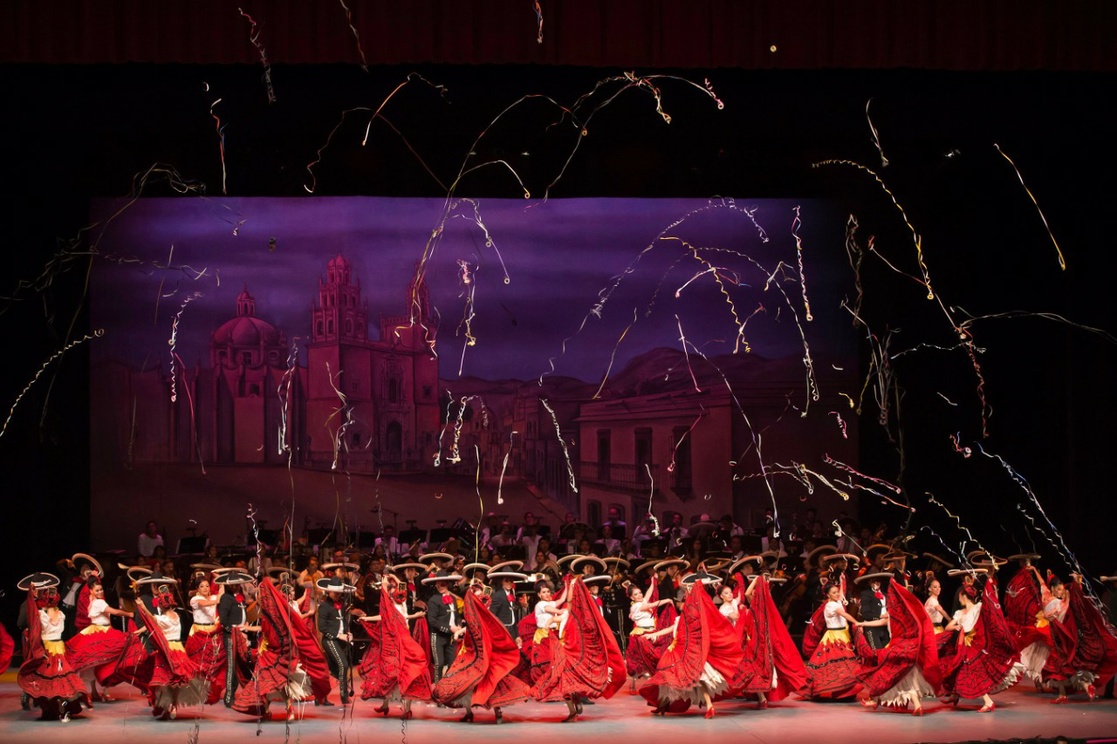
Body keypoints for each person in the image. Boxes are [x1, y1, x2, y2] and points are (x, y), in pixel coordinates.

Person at [638, 568, 743, 718]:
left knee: (679, 676)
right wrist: (654, 633)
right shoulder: (691, 612)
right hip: (683, 648)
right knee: (681, 676)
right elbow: (674, 628)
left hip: (689, 650)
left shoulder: (694, 611)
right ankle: (668, 705)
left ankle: (706, 706)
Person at [231, 578, 332, 721]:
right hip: (266, 651)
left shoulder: (275, 611)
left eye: (260, 594)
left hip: (277, 652)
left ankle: (286, 707)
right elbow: (262, 628)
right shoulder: (263, 609)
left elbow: (282, 631)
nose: (257, 597)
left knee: (277, 681)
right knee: (265, 681)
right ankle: (268, 709)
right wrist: (247, 628)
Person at [531, 574, 626, 721]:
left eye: (547, 591)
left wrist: (570, 586)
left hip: (564, 652)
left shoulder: (565, 615)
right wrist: (571, 586)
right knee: (569, 679)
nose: (547, 594)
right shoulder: (564, 613)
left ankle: (572, 711)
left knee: (563, 681)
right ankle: (575, 703)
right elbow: (564, 605)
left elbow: (564, 603)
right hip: (564, 650)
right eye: (543, 592)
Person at [433, 580, 530, 723]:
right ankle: (469, 712)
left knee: (492, 680)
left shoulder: (485, 612)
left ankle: (497, 711)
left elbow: (480, 625)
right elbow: (472, 627)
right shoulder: (471, 610)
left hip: (485, 653)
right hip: (473, 652)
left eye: (479, 593)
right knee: (466, 680)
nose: (477, 595)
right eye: (474, 592)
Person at [854, 578, 941, 715]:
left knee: (893, 677)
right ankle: (879, 700)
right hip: (902, 650)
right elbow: (881, 623)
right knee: (896, 678)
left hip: (899, 650)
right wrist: (863, 624)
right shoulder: (897, 616)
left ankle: (877, 699)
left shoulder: (900, 617)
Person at [939, 575, 1023, 712]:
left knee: (973, 672)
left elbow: (990, 601)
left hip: (976, 645)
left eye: (960, 597)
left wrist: (989, 583)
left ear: (964, 596)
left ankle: (988, 702)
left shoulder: (978, 607)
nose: (959, 600)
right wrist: (955, 627)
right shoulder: (960, 613)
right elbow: (948, 627)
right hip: (963, 645)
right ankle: (955, 695)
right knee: (958, 669)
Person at [357, 573, 432, 719]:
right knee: (388, 670)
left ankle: (406, 709)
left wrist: (390, 579)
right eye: (390, 587)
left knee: (405, 671)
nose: (392, 589)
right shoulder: (389, 605)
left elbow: (402, 590)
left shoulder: (401, 599)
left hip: (403, 636)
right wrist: (367, 618)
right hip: (393, 637)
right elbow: (383, 616)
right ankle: (385, 705)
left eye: (394, 587)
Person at [17, 573, 89, 721]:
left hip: (49, 648)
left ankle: (51, 704)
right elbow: (23, 623)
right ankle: (50, 703)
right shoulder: (41, 610)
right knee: (54, 678)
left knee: (50, 679)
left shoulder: (43, 613)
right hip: (48, 646)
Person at [134, 579, 208, 720]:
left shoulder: (163, 619)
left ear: (161, 606)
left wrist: (143, 606)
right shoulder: (177, 617)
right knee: (174, 681)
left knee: (164, 681)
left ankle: (167, 706)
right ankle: (172, 705)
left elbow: (151, 620)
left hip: (167, 651)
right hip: (179, 649)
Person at [1042, 573, 1117, 702]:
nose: (1061, 591)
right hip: (1065, 643)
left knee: (1056, 668)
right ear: (1053, 589)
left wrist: (1076, 585)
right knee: (1069, 669)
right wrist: (1076, 584)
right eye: (1058, 589)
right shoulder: (1061, 603)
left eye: (1062, 589)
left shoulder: (1056, 603)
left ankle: (1064, 694)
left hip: (1063, 644)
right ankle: (1086, 688)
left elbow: (1052, 610)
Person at [64, 578, 132, 702]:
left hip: (101, 630)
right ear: (91, 591)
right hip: (100, 632)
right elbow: (115, 612)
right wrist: (130, 614)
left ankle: (96, 692)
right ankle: (101, 692)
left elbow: (107, 617)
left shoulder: (92, 600)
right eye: (97, 590)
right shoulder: (99, 603)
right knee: (105, 661)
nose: (100, 592)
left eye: (101, 589)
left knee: (96, 663)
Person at [802, 581, 863, 699]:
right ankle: (840, 691)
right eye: (834, 593)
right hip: (834, 637)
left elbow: (841, 595)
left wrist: (841, 581)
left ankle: (844, 692)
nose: (837, 594)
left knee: (843, 665)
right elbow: (845, 615)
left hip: (841, 635)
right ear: (828, 595)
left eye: (837, 592)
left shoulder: (836, 602)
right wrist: (856, 622)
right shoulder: (831, 605)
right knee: (842, 664)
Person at [215, 569, 257, 707]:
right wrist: (233, 630)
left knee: (244, 663)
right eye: (232, 584)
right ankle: (229, 697)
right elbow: (223, 620)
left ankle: (248, 693)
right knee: (232, 665)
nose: (235, 586)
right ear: (228, 585)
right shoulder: (225, 598)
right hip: (231, 635)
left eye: (237, 584)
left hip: (242, 634)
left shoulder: (239, 597)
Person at [424, 569, 465, 683]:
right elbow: (432, 621)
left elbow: (457, 615)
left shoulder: (453, 599)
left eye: (442, 583)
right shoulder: (433, 600)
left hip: (451, 637)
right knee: (439, 663)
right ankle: (437, 688)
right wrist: (449, 628)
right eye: (437, 583)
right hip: (438, 636)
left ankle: (448, 687)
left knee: (453, 664)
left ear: (447, 584)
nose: (439, 586)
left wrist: (459, 625)